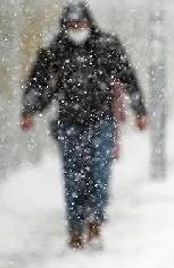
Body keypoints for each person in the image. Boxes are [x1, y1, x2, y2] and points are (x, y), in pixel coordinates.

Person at [20, 2, 147, 250]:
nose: (77, 29)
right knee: (73, 178)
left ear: (90, 24)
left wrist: (140, 110)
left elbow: (128, 77)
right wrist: (29, 110)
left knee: (99, 173)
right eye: (72, 25)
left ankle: (95, 221)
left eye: (80, 24)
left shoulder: (106, 46)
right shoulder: (55, 50)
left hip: (102, 121)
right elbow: (37, 83)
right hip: (69, 124)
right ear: (64, 27)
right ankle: (76, 227)